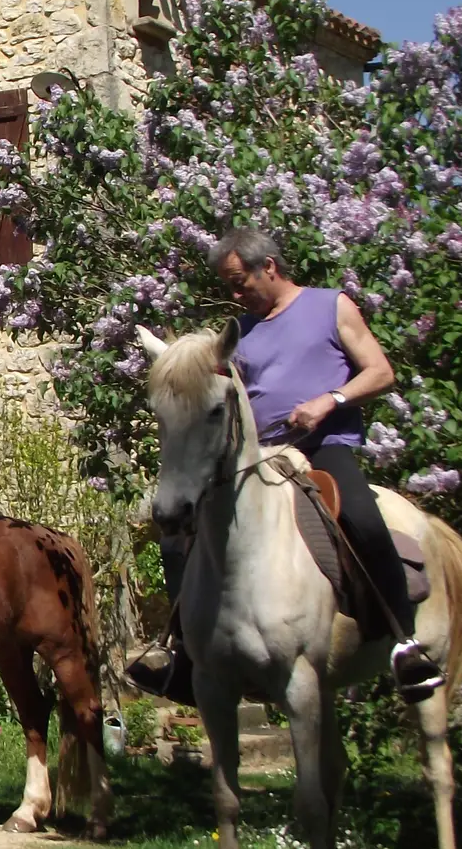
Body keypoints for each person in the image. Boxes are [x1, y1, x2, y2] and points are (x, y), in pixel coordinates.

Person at [126, 227, 442, 703]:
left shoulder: (330, 306)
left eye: (239, 283)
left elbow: (381, 372)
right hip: (263, 455)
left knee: (361, 517)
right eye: (228, 286)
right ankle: (184, 652)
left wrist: (330, 399)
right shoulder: (241, 334)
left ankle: (403, 641)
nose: (235, 294)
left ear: (268, 267)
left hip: (323, 447)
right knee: (179, 535)